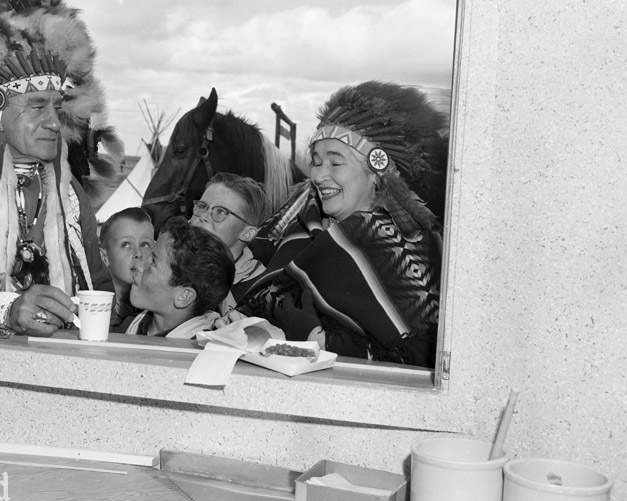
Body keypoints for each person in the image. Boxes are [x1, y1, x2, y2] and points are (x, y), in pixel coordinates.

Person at [227, 81, 446, 368]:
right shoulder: (302, 232)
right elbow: (256, 303)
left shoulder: (411, 245)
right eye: (316, 162)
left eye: (335, 163)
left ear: (376, 173)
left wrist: (319, 340)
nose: (318, 175)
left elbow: (418, 358)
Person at [0, 5, 115, 337]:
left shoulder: (69, 195)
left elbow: (98, 285)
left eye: (57, 107)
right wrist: (6, 311)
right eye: (37, 106)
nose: (54, 123)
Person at [126, 217, 235, 339]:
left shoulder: (199, 350)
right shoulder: (132, 324)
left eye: (153, 262)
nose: (138, 265)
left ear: (183, 297)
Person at [188, 172, 268, 313]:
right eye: (202, 206)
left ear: (247, 233)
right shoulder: (164, 260)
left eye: (221, 212)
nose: (204, 217)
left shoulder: (261, 291)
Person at [98, 207, 155, 331]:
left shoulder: (155, 313)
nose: (138, 253)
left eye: (145, 244)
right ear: (104, 256)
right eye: (126, 244)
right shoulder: (92, 310)